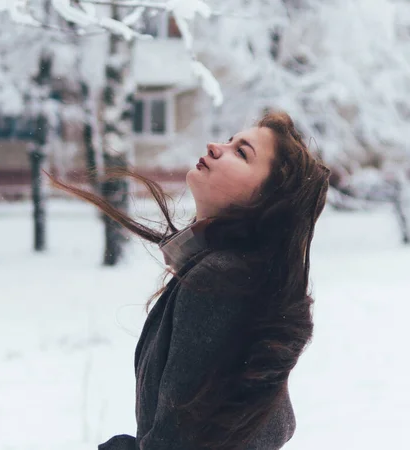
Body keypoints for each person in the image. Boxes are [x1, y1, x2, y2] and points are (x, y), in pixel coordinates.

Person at [51, 111, 330, 450]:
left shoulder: (222, 280)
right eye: (229, 141)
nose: (215, 147)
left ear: (265, 200)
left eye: (241, 153)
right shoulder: (233, 274)